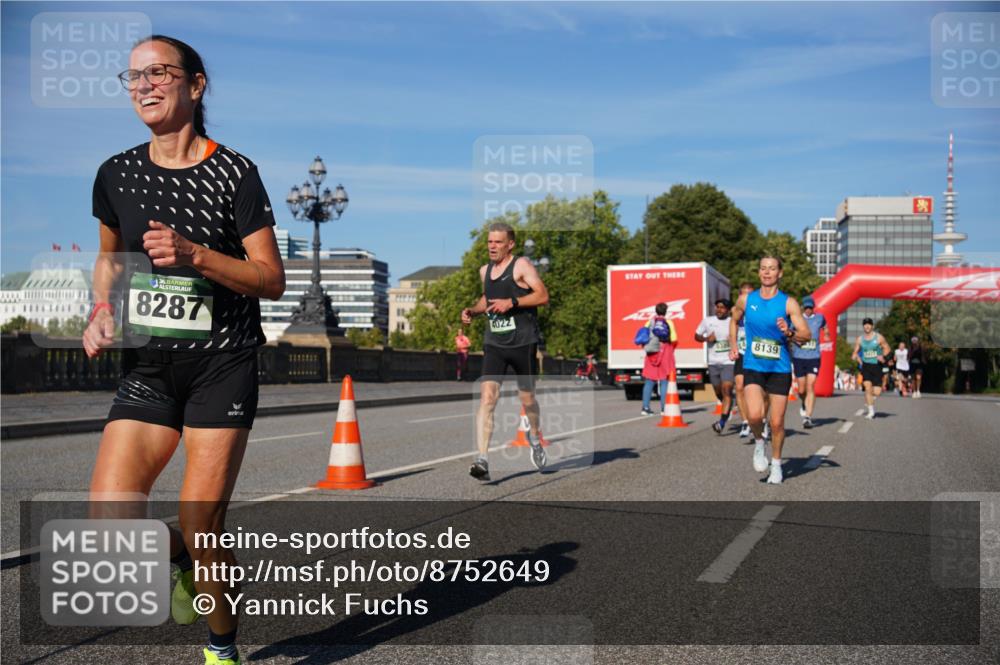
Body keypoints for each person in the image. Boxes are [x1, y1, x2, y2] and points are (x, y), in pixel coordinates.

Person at [85, 35, 284, 665]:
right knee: (112, 526)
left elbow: (270, 279)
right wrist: (98, 310)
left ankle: (220, 644)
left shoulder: (234, 172)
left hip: (222, 363)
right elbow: (108, 260)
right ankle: (190, 559)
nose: (144, 85)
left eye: (159, 73)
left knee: (201, 522)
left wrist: (197, 255)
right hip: (150, 366)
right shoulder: (116, 173)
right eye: (134, 76)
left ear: (195, 86)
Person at [461, 222, 549, 481]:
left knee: (527, 399)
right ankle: (482, 460)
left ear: (510, 244)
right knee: (487, 398)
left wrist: (513, 301)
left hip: (523, 342)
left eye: (498, 242)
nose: (492, 246)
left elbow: (543, 296)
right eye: (489, 241)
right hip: (495, 343)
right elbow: (487, 298)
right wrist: (474, 311)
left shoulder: (521, 265)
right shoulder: (484, 271)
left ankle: (534, 437)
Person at [728, 255, 810, 485]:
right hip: (753, 365)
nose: (767, 272)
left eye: (772, 269)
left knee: (776, 423)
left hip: (779, 368)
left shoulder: (788, 303)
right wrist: (734, 345)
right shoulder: (746, 300)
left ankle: (776, 465)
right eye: (763, 268)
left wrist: (790, 332)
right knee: (754, 415)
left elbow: (806, 336)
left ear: (779, 273)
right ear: (759, 273)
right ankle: (759, 442)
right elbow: (733, 320)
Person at [695, 298, 735, 434]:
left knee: (727, 389)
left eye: (722, 307)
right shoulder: (708, 321)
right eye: (717, 307)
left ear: (728, 310)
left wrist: (734, 340)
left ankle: (721, 422)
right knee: (718, 392)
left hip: (729, 362)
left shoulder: (733, 322)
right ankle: (727, 404)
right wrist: (706, 339)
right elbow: (696, 335)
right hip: (713, 362)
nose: (719, 310)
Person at [789, 296, 826, 429]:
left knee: (811, 386)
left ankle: (807, 417)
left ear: (813, 308)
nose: (808, 310)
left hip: (814, 357)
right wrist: (795, 340)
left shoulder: (819, 318)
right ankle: (804, 402)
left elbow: (825, 325)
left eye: (810, 307)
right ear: (803, 307)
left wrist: (826, 333)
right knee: (802, 388)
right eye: (806, 307)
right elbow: (789, 333)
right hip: (799, 357)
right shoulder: (797, 319)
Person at [640, 302, 678, 415]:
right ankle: (664, 408)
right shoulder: (669, 322)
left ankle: (645, 408)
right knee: (664, 380)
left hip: (652, 352)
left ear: (655, 311)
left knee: (649, 380)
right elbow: (674, 338)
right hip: (665, 351)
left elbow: (644, 336)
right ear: (665, 311)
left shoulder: (649, 322)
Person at [852, 318, 892, 419]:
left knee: (877, 391)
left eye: (869, 324)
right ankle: (871, 411)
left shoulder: (879, 338)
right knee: (867, 387)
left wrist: (883, 357)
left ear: (872, 326)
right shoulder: (860, 339)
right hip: (866, 366)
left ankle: (870, 399)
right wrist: (854, 355)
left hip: (877, 366)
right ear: (863, 326)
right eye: (865, 324)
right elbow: (856, 351)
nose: (867, 326)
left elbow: (887, 348)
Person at [731, 282, 756, 438]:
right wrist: (733, 346)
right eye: (743, 294)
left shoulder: (759, 310)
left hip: (757, 354)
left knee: (759, 391)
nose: (746, 297)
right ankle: (745, 422)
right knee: (739, 387)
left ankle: (761, 420)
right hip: (742, 353)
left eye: (750, 294)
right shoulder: (736, 311)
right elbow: (731, 327)